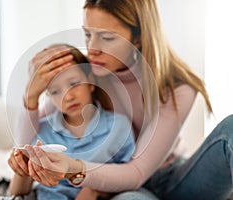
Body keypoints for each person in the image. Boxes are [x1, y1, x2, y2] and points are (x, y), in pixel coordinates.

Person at [16, 0, 233, 200]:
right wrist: (31, 96)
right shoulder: (92, 75)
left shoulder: (178, 86)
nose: (92, 49)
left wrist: (76, 169)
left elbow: (137, 172)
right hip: (121, 189)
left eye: (107, 38)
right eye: (88, 35)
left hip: (173, 179)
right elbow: (28, 138)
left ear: (138, 38)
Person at [8, 44, 135, 200]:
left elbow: (129, 179)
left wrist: (94, 190)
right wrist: (22, 168)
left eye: (74, 84)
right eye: (55, 91)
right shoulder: (43, 132)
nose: (68, 97)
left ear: (90, 81)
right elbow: (16, 193)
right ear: (49, 96)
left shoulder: (118, 126)